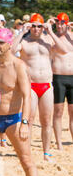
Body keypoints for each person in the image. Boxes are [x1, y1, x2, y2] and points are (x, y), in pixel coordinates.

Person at [11, 13, 70, 161]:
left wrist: (50, 31)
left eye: (39, 26)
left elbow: (64, 50)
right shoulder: (25, 41)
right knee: (29, 120)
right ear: (30, 26)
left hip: (46, 85)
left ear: (43, 26)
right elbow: (11, 51)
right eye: (34, 26)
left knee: (46, 121)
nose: (36, 29)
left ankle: (46, 152)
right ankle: (27, 152)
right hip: (30, 85)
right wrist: (22, 32)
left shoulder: (48, 40)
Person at [0, 28, 39, 176]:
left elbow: (27, 96)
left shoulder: (19, 66)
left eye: (1, 43)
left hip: (14, 119)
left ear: (9, 44)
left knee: (26, 161)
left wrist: (25, 122)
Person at [51, 12, 73, 150]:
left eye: (62, 23)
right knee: (58, 112)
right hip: (59, 77)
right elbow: (63, 50)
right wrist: (49, 28)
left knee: (72, 113)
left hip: (72, 77)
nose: (60, 25)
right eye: (58, 23)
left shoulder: (72, 38)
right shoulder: (52, 38)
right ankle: (59, 143)